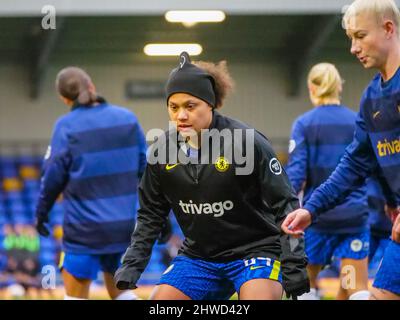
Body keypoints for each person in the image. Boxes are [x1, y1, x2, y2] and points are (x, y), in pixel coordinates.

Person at [114, 52, 309, 300]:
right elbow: (151, 214)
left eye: (190, 106)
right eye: (173, 107)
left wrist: (294, 265)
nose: (180, 115)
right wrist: (132, 264)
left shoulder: (247, 142)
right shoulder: (161, 152)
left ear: (211, 104)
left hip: (256, 252)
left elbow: (286, 206)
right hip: (200, 258)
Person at [282, 0, 400, 300]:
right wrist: (310, 209)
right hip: (356, 223)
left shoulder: (305, 124)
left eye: (360, 36)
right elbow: (353, 166)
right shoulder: (372, 98)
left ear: (388, 29)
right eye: (350, 39)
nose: (353, 47)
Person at [35, 66, 148, 300]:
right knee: (122, 294)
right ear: (92, 87)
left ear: (64, 99)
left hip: (83, 232)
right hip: (122, 228)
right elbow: (147, 173)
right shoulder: (127, 118)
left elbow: (52, 177)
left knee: (76, 298)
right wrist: (162, 219)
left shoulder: (66, 126)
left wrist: (41, 213)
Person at [286, 63, 370, 300]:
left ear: (312, 88)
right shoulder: (357, 122)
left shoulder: (305, 124)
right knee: (354, 285)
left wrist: (286, 212)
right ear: (339, 87)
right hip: (353, 219)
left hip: (316, 220)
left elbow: (296, 176)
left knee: (307, 286)